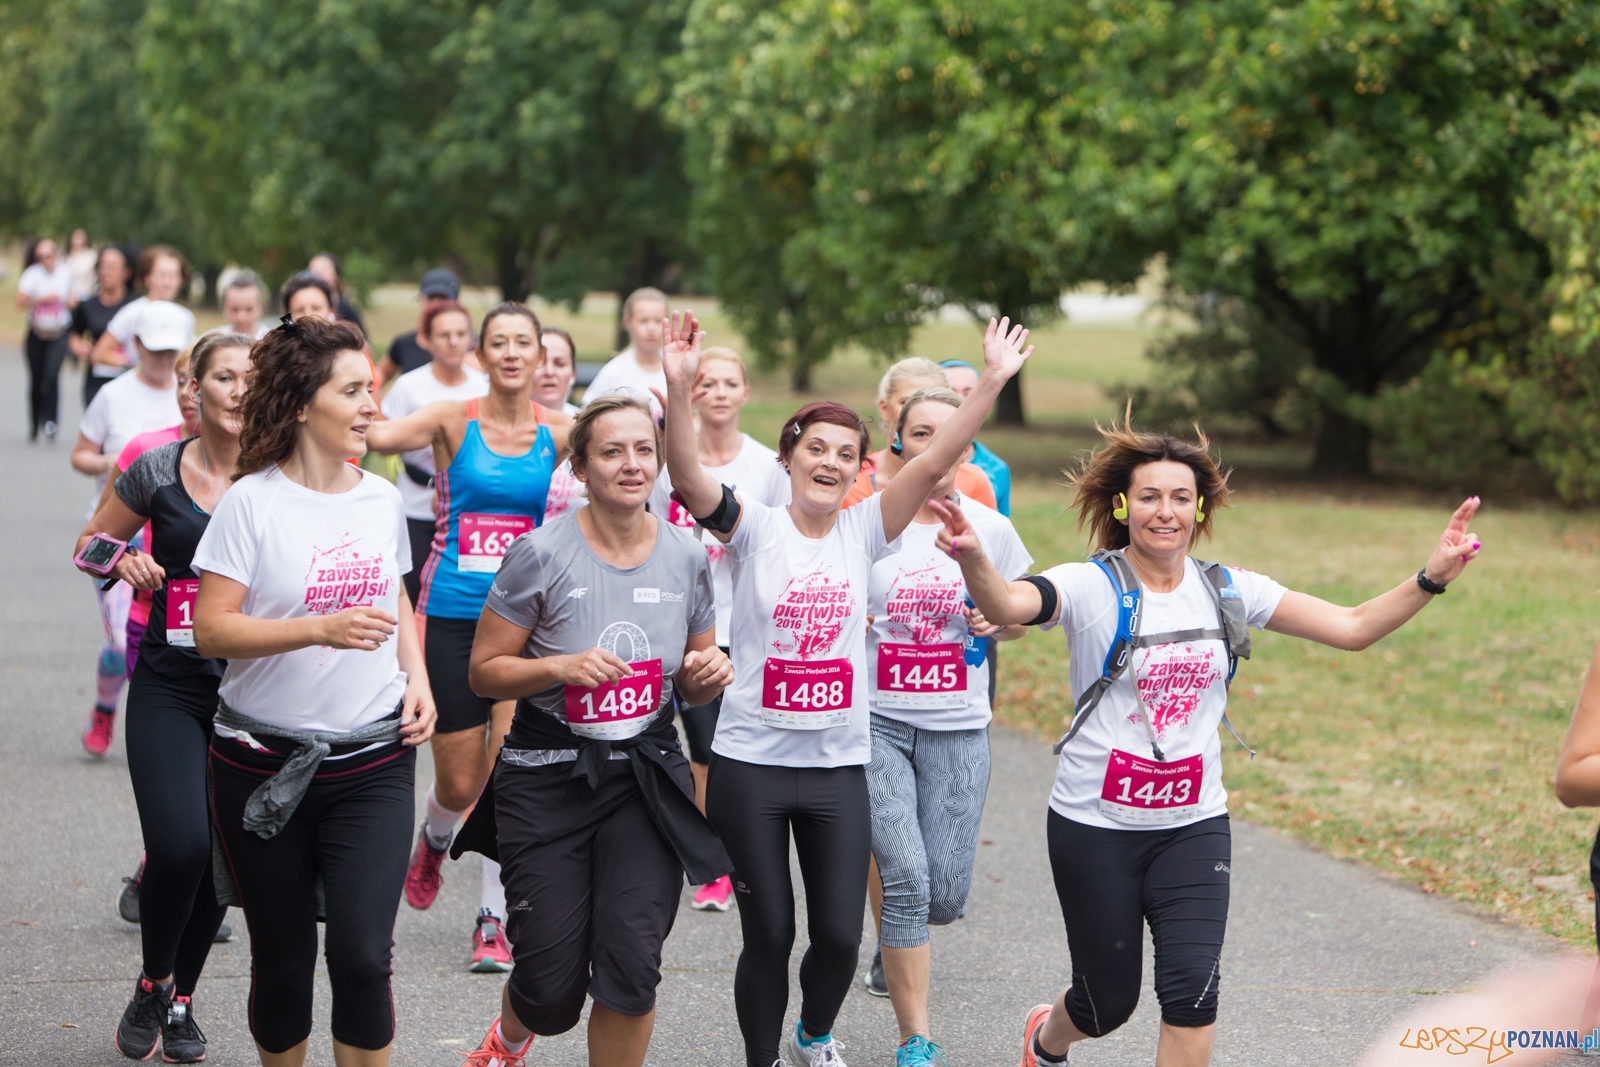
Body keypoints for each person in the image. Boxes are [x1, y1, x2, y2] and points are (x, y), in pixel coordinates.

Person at [926, 417, 1482, 1067]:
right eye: (1152, 496)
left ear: (1200, 508)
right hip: (1095, 824)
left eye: (1182, 497)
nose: (1167, 511)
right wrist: (973, 560)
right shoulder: (1091, 585)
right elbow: (1013, 603)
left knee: (1192, 996)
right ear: (1123, 505)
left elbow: (1353, 625)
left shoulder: (1228, 589)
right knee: (1107, 1003)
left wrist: (1432, 576)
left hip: (1194, 824)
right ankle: (1048, 1037)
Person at [663, 310, 1032, 1067]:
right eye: (815, 448)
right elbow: (690, 477)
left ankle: (811, 1033)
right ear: (790, 458)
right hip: (752, 762)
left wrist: (991, 382)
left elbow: (934, 465)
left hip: (836, 766)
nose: (829, 461)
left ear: (863, 465)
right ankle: (761, 1056)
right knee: (769, 930)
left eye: (845, 452)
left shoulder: (866, 529)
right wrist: (676, 387)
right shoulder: (756, 526)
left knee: (836, 934)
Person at [456, 392, 732, 1067]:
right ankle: (509, 1039)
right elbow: (484, 673)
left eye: (644, 449)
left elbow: (692, 673)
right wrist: (560, 666)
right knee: (549, 987)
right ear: (580, 466)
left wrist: (705, 676)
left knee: (632, 966)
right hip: (547, 772)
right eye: (612, 451)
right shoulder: (539, 554)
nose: (631, 464)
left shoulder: (686, 555)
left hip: (645, 774)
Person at [191, 316, 436, 1067]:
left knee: (364, 956)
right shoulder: (251, 505)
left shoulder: (378, 499)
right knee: (284, 959)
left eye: (372, 388)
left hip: (371, 754)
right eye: (355, 390)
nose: (372, 405)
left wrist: (418, 677)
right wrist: (316, 628)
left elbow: (394, 593)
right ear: (302, 403)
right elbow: (211, 629)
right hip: (261, 763)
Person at [366, 302, 571, 973]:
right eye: (499, 342)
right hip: (452, 612)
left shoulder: (561, 432)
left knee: (505, 772)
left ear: (542, 357)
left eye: (524, 343)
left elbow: (641, 451)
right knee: (457, 782)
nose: (512, 353)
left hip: (525, 625)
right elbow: (379, 433)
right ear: (482, 356)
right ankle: (434, 837)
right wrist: (342, 381)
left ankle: (494, 918)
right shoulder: (454, 419)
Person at [75, 332, 253, 1063]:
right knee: (178, 844)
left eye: (252, 377)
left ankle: (179, 1000)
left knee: (220, 853)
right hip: (169, 686)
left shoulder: (282, 475)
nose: (240, 389)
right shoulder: (156, 468)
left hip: (250, 693)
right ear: (196, 388)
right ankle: (154, 977)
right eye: (224, 376)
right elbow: (87, 544)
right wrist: (128, 558)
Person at [857, 385, 1032, 1066]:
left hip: (959, 727)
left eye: (949, 432)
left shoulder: (991, 526)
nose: (936, 444)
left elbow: (1024, 617)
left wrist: (1001, 619)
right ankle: (916, 1038)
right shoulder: (871, 522)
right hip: (878, 724)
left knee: (944, 895)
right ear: (898, 442)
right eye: (920, 431)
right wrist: (854, 621)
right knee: (902, 873)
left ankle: (906, 936)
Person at [647, 345, 789, 913]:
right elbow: (653, 538)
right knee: (690, 743)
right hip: (679, 626)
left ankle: (720, 860)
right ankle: (706, 854)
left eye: (733, 382)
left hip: (742, 623)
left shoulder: (764, 468)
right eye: (709, 383)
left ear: (746, 393)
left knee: (718, 747)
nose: (722, 392)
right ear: (694, 393)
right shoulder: (669, 468)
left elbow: (783, 545)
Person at [72, 301, 192, 756]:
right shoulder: (135, 430)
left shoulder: (238, 441)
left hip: (184, 564)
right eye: (182, 382)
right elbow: (89, 545)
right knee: (123, 641)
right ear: (136, 345)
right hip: (131, 544)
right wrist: (113, 466)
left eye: (177, 358)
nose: (184, 389)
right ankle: (106, 709)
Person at [377, 300, 487, 608]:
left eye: (460, 333)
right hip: (414, 500)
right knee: (412, 589)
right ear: (426, 339)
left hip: (468, 506)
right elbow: (385, 433)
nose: (453, 341)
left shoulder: (484, 388)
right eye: (444, 334)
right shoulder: (409, 386)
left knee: (461, 592)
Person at [840, 358, 996, 511]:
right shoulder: (850, 479)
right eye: (906, 402)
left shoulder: (974, 481)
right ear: (884, 408)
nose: (920, 412)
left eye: (932, 403)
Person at [92, 246, 196, 379]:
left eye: (174, 275)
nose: (168, 282)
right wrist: (136, 365)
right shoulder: (132, 312)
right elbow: (99, 354)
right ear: (147, 278)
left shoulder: (186, 317)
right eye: (162, 275)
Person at [16, 236, 78, 441]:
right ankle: (35, 423)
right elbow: (20, 301)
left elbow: (72, 297)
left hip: (58, 333)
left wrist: (71, 301)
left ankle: (51, 422)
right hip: (36, 333)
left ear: (56, 255)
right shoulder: (32, 275)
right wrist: (43, 298)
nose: (46, 260)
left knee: (51, 377)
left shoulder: (65, 273)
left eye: (49, 255)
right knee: (36, 379)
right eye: (41, 257)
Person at [938, 359, 1011, 517]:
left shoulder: (997, 469)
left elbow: (999, 532)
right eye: (949, 392)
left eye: (970, 393)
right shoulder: (909, 461)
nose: (960, 401)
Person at [69, 244, 136, 407]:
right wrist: (79, 347)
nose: (106, 271)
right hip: (96, 380)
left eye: (112, 267)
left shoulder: (136, 306)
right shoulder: (87, 305)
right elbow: (74, 334)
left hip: (129, 379)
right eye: (103, 266)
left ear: (126, 272)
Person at [581, 286, 668, 412]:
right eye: (643, 321)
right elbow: (587, 413)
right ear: (627, 322)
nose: (651, 328)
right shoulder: (613, 372)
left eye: (658, 321)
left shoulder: (677, 369)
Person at [377, 268, 461, 382]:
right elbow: (379, 376)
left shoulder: (468, 346)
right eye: (431, 298)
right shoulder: (404, 344)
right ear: (421, 299)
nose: (436, 305)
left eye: (442, 299)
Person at [538, 326, 586, 522]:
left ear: (573, 373)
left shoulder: (592, 426)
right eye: (540, 363)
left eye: (559, 363)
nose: (549, 372)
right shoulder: (498, 425)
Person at [308, 252, 367, 337]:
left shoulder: (347, 311)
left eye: (323, 269)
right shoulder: (305, 310)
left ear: (335, 274)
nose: (315, 274)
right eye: (311, 270)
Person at [203, 271, 271, 340]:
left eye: (249, 309)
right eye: (235, 309)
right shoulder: (211, 341)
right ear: (224, 308)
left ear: (260, 307)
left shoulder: (271, 343)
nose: (241, 317)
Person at [66, 227, 100, 301]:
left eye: (79, 237)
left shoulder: (91, 256)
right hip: (69, 297)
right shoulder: (66, 257)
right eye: (75, 237)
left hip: (87, 294)